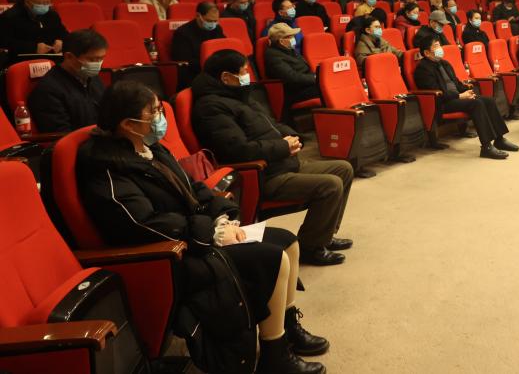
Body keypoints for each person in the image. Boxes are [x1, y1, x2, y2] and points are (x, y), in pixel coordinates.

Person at [75, 81, 329, 374]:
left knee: (288, 242)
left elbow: (193, 187)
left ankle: (287, 327)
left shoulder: (150, 148)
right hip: (174, 253)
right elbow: (143, 224)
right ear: (128, 124)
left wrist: (221, 217)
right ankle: (275, 354)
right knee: (274, 258)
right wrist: (210, 232)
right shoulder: (106, 167)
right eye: (154, 112)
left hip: (195, 233)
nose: (160, 118)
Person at [193, 50, 354, 266]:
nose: (248, 75)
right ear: (226, 77)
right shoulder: (211, 107)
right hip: (264, 174)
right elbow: (238, 150)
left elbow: (272, 124)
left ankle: (324, 235)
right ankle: (311, 247)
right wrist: (282, 147)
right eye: (243, 72)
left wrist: (293, 137)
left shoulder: (240, 96)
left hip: (281, 163)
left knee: (344, 169)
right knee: (331, 185)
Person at [412, 36, 518, 160]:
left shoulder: (445, 63)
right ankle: (486, 147)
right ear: (426, 52)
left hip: (457, 97)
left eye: (439, 45)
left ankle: (499, 139)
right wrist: (459, 96)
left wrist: (466, 92)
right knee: (477, 104)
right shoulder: (423, 69)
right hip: (442, 103)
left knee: (488, 100)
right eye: (436, 46)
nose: (440, 48)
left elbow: (456, 83)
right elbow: (437, 93)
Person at [28, 29, 107, 132]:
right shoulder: (49, 90)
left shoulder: (92, 78)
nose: (97, 64)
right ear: (69, 57)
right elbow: (61, 133)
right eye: (91, 59)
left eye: (101, 59)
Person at [0, 0, 68, 56]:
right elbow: (4, 42)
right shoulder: (10, 17)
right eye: (40, 3)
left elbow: (64, 33)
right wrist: (33, 48)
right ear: (27, 2)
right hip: (21, 58)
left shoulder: (52, 15)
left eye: (47, 2)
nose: (45, 6)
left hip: (52, 57)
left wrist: (61, 41)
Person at [171, 1, 225, 89]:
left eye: (215, 21)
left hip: (216, 71)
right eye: (209, 20)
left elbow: (223, 48)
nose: (212, 24)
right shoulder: (183, 33)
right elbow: (185, 61)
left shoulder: (217, 29)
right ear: (198, 16)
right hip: (194, 74)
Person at [264, 23, 320, 105]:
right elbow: (292, 77)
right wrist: (315, 78)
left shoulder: (289, 49)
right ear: (281, 41)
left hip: (305, 85)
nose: (294, 39)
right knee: (325, 89)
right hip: (294, 92)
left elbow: (305, 68)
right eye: (290, 36)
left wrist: (318, 77)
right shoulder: (273, 55)